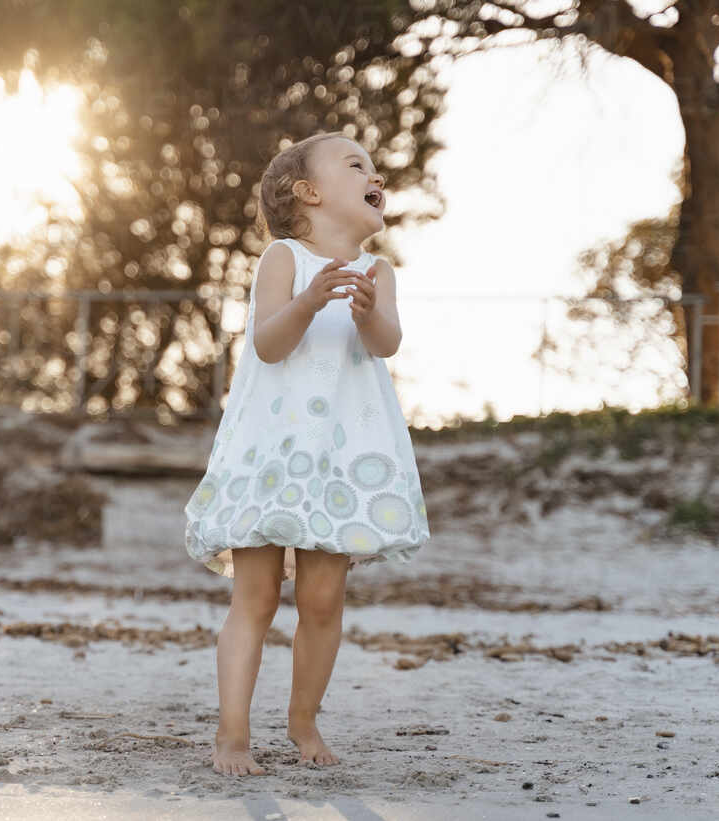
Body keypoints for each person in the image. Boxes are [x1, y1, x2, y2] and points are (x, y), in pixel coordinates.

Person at [183, 131, 431, 776]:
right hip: (273, 453)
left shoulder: (379, 272)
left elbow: (385, 345)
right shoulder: (283, 258)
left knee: (323, 601)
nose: (373, 173)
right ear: (310, 193)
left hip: (338, 460)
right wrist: (308, 300)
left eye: (374, 166)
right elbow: (267, 343)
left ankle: (303, 719)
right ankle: (232, 733)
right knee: (256, 597)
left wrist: (370, 313)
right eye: (356, 165)